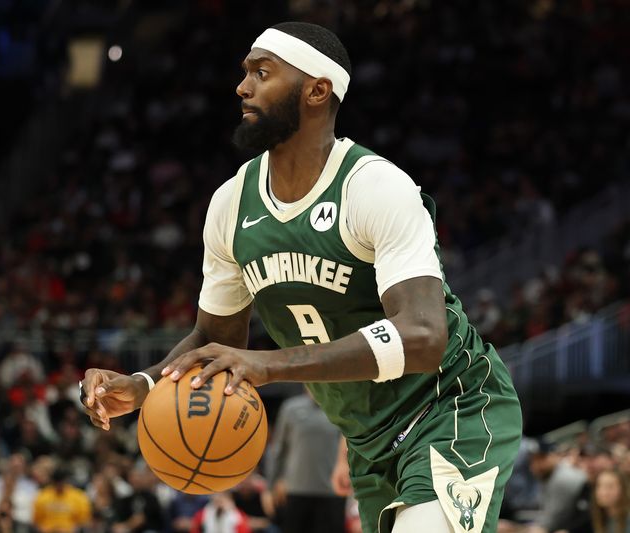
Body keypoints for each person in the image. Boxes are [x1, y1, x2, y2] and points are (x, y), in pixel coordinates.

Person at [81, 21, 522, 533]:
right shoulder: (231, 203)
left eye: (261, 73)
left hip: (451, 410)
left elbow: (422, 336)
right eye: (245, 73)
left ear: (317, 90)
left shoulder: (375, 187)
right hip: (366, 438)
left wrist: (268, 365)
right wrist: (144, 384)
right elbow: (215, 340)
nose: (242, 87)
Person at [266, 389, 345, 532]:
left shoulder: (340, 407)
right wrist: (271, 486)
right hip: (295, 491)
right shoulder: (290, 408)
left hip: (332, 492)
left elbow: (349, 450)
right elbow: (278, 448)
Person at [592, 469, 630, 533]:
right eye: (599, 486)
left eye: (610, 487)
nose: (603, 492)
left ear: (623, 490)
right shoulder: (602, 517)